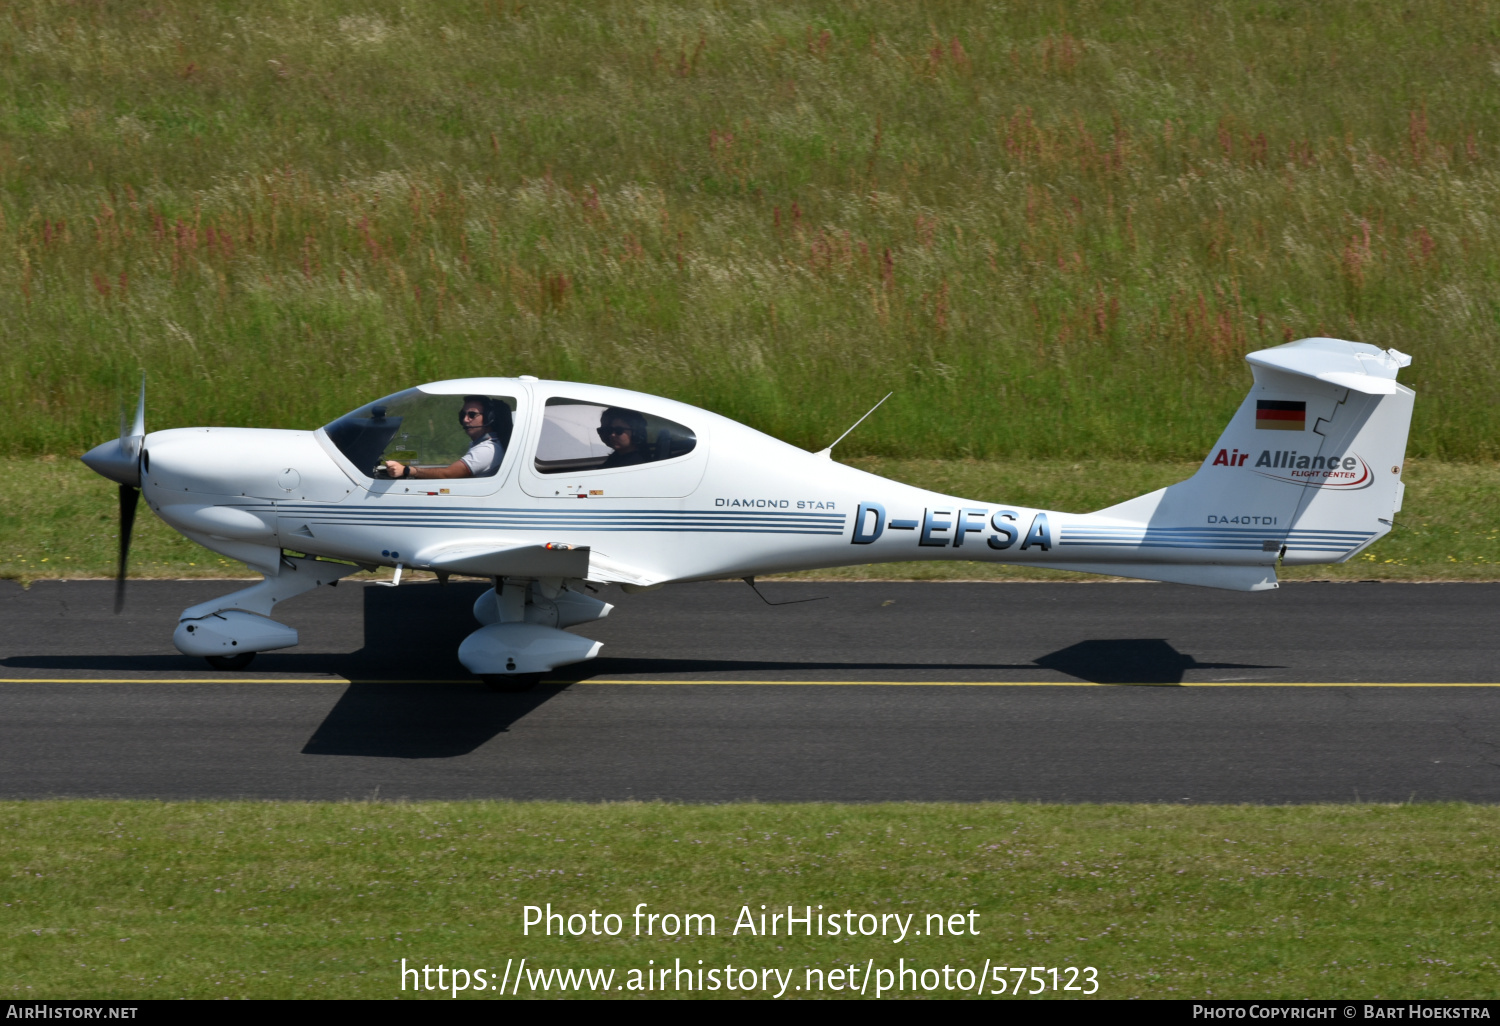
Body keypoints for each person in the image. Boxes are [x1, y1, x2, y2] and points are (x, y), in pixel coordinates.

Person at [384, 396, 505, 480]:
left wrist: (407, 470)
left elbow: (447, 474)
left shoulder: (487, 450)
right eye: (463, 415)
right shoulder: (480, 445)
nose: (465, 419)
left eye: (472, 415)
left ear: (489, 418)